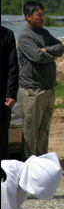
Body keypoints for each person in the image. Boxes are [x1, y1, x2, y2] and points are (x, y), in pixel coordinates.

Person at [17, 1, 64, 159]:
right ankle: (29, 163)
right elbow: (37, 56)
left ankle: (42, 161)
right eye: (39, 15)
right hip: (33, 91)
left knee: (44, 129)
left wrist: (47, 50)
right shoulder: (25, 36)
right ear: (28, 16)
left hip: (48, 89)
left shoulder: (44, 33)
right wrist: (50, 54)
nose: (43, 17)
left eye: (44, 14)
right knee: (31, 131)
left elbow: (61, 48)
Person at [1, 26, 19, 160]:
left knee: (1, 137)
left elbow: (12, 67)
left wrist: (11, 93)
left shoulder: (6, 34)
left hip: (2, 97)